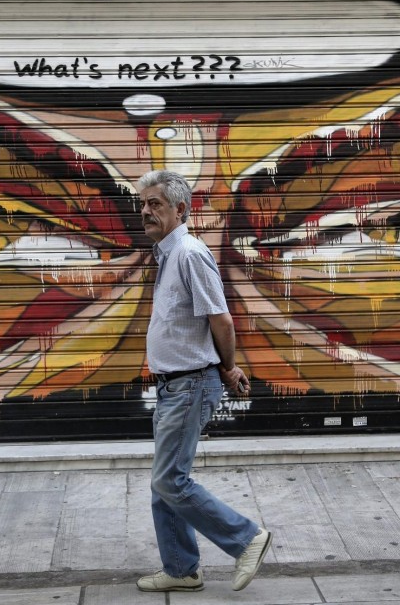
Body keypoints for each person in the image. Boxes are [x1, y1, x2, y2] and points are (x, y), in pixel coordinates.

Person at [135, 169, 272, 593]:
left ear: (180, 209)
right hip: (174, 384)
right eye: (142, 204)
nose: (145, 211)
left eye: (154, 204)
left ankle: (245, 538)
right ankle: (181, 568)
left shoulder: (190, 254)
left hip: (190, 383)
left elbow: (221, 319)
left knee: (170, 480)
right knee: (165, 480)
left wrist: (228, 369)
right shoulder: (168, 254)